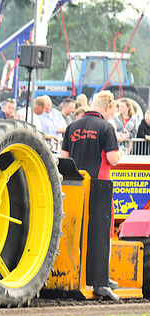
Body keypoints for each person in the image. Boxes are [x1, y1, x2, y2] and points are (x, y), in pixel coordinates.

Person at [61, 90, 122, 301]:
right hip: (99, 186)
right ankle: (100, 281)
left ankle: (77, 276)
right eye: (113, 110)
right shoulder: (106, 127)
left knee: (77, 233)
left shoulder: (72, 127)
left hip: (75, 186)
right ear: (107, 107)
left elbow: (64, 159)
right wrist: (120, 152)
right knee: (101, 234)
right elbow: (113, 158)